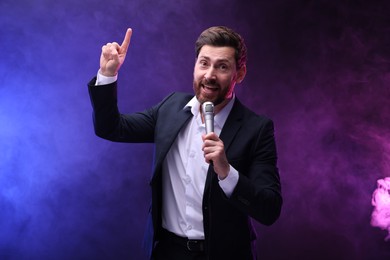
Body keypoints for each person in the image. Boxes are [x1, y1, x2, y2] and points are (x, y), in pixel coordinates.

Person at [88, 26, 282, 260]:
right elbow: (111, 127)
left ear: (239, 74)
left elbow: (269, 209)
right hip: (169, 252)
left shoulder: (257, 129)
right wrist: (108, 75)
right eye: (204, 63)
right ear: (195, 66)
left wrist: (226, 172)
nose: (209, 75)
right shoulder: (170, 108)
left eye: (222, 66)